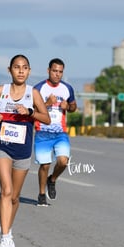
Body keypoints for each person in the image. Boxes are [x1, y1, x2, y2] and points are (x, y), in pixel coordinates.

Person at [0, 54, 50, 247]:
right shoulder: (0, 90)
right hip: (2, 146)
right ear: (10, 70)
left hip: (22, 150)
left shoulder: (34, 94)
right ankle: (5, 238)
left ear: (29, 71)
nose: (21, 71)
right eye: (16, 67)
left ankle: (7, 229)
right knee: (6, 190)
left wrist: (30, 112)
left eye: (24, 67)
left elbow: (46, 118)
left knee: (14, 196)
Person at [33, 58, 77, 206]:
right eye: (54, 71)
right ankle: (41, 194)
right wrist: (46, 104)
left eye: (60, 72)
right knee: (44, 165)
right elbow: (30, 110)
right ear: (48, 71)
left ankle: (52, 180)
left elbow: (73, 106)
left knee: (63, 162)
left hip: (60, 132)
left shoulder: (67, 88)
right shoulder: (38, 88)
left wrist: (68, 107)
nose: (57, 74)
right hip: (42, 131)